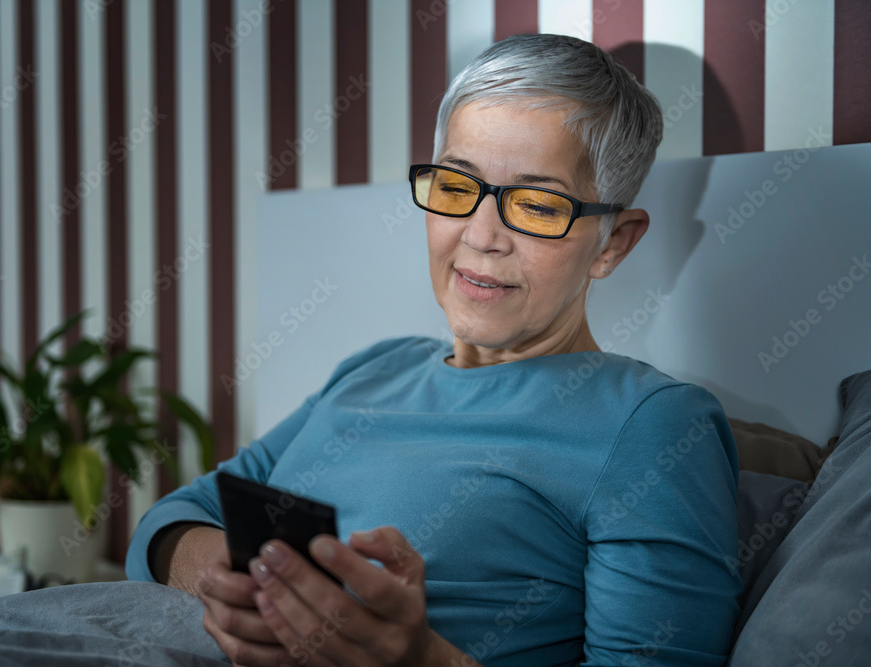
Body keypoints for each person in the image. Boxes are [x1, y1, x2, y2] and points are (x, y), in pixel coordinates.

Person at [126, 34, 742, 666]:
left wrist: (421, 659)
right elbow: (172, 519)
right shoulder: (375, 369)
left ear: (613, 244)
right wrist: (238, 587)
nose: (481, 236)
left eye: (535, 204)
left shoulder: (652, 425)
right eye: (455, 186)